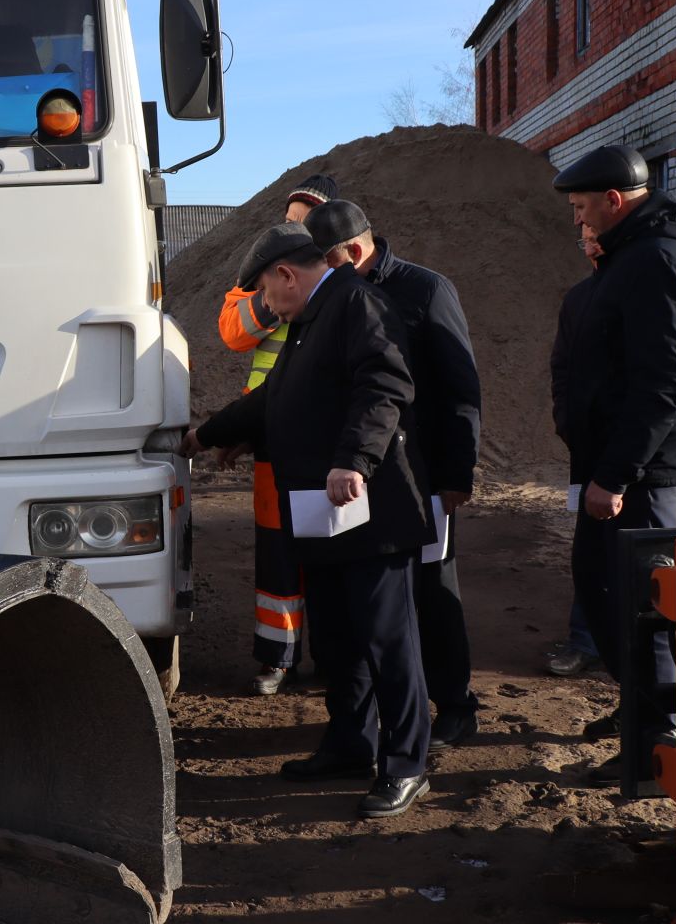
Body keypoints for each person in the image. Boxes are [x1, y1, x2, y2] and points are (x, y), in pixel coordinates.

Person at [189, 223, 435, 818]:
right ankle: (351, 744)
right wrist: (206, 436)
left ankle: (406, 763)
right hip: (322, 512)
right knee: (336, 639)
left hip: (366, 506)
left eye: (266, 296)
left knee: (386, 639)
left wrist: (354, 460)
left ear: (286, 275)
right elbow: (274, 398)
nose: (266, 309)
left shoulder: (356, 303)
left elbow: (384, 385)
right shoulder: (309, 320)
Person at [551, 145, 676, 785]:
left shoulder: (658, 263)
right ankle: (640, 714)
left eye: (583, 207)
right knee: (610, 599)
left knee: (645, 610)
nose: (578, 221)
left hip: (643, 482)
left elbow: (662, 385)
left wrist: (615, 473)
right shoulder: (630, 260)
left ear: (614, 202)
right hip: (618, 471)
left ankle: (654, 744)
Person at [305, 199, 483, 749]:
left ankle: (454, 705)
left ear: (355, 251)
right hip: (365, 473)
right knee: (372, 601)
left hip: (422, 476)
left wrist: (457, 473)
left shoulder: (425, 290)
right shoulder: (335, 297)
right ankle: (376, 717)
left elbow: (461, 388)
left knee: (431, 592)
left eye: (329, 263)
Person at [548, 223, 676, 688]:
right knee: (598, 571)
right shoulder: (581, 298)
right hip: (597, 459)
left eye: (595, 236)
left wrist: (674, 426)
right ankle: (596, 654)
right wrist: (572, 426)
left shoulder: (665, 285)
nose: (590, 246)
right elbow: (565, 371)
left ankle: (659, 710)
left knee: (651, 585)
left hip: (657, 467)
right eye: (584, 239)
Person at [215, 173, 340, 695]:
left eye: (307, 217)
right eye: (292, 216)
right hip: (272, 435)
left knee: (333, 550)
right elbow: (233, 333)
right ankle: (278, 658)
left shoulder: (346, 276)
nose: (295, 224)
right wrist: (279, 290)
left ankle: (334, 659)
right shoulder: (266, 274)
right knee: (278, 551)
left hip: (331, 438)